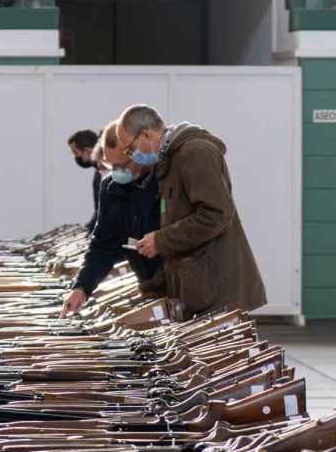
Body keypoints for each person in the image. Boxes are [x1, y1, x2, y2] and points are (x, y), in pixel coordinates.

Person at [122, 104, 265, 317]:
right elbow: (182, 225)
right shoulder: (171, 160)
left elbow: (216, 214)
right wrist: (151, 287)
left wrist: (161, 240)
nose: (130, 156)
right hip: (197, 286)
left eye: (130, 149)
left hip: (215, 291)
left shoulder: (194, 153)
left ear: (145, 134)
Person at [60, 121, 162, 317]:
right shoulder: (110, 187)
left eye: (120, 165)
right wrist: (82, 288)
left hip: (186, 280)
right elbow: (103, 245)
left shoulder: (165, 180)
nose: (115, 171)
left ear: (136, 155)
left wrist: (163, 240)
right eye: (110, 165)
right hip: (150, 283)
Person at [67, 129, 102, 233]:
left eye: (76, 152)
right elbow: (100, 211)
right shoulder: (98, 175)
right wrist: (86, 229)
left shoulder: (105, 174)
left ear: (88, 150)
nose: (76, 157)